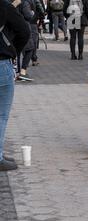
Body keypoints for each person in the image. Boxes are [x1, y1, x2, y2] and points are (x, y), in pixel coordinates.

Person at [0, 0, 30, 171]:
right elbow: (24, 31)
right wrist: (12, 51)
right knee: (1, 115)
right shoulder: (4, 6)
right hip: (1, 63)